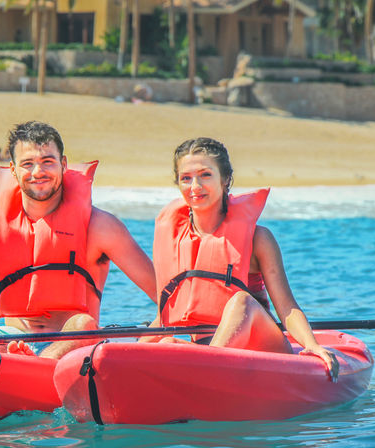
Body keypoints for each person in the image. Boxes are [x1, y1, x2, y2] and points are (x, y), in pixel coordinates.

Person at [0, 121, 156, 359]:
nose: (38, 172)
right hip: (10, 343)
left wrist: (152, 339)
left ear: (64, 164)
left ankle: (35, 366)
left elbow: (165, 294)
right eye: (28, 164)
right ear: (13, 170)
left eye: (48, 161)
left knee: (84, 321)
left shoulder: (101, 227)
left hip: (73, 343)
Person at [142, 137, 339, 381]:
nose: (195, 186)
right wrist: (131, 353)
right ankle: (202, 366)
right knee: (165, 343)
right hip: (208, 349)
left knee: (240, 301)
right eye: (186, 178)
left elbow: (287, 306)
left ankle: (205, 368)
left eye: (205, 175)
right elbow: (166, 315)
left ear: (225, 180)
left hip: (262, 348)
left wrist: (313, 345)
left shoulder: (258, 238)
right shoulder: (176, 239)